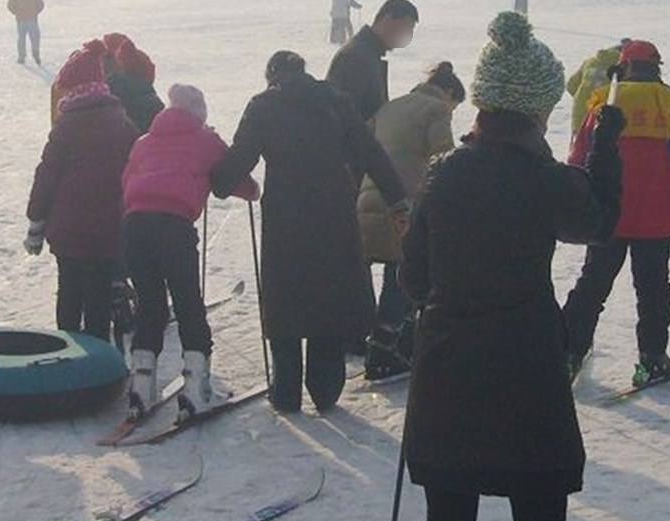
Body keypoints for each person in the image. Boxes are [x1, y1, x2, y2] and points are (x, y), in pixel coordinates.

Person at [397, 10, 623, 521]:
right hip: (525, 371)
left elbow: (413, 277)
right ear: (537, 110)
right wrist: (607, 155)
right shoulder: (546, 179)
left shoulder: (446, 175)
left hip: (449, 370)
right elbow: (599, 223)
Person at [210, 51, 406, 412]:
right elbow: (371, 151)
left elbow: (240, 158)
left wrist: (216, 179)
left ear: (271, 76)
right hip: (334, 212)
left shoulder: (264, 106)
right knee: (328, 295)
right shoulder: (335, 102)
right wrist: (397, 199)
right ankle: (325, 388)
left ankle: (285, 391)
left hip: (285, 217)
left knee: (284, 298)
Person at [561, 39, 670, 384]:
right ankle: (652, 359)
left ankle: (567, 355)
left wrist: (578, 210)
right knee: (653, 289)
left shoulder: (603, 104)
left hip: (606, 215)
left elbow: (578, 158)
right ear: (657, 67)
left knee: (592, 285)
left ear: (624, 66)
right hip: (656, 219)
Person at [122, 84, 258, 420]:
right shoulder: (205, 139)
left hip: (134, 225)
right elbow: (239, 182)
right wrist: (254, 190)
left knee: (149, 303)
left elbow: (126, 182)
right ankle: (196, 387)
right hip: (174, 226)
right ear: (198, 111)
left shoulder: (144, 141)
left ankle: (141, 385)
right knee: (187, 303)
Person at [25, 41, 139, 343]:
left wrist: (36, 222)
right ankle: (98, 361)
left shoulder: (67, 126)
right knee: (98, 297)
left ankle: (69, 355)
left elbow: (46, 175)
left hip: (69, 230)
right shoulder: (124, 123)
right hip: (109, 227)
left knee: (70, 292)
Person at [357, 62, 463, 380]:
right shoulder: (436, 110)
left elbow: (364, 142)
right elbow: (444, 157)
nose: (453, 111)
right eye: (455, 105)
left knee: (379, 269)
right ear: (448, 94)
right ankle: (385, 348)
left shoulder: (390, 107)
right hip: (404, 205)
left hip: (366, 200)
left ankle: (363, 336)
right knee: (402, 274)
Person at [327, 0, 419, 124]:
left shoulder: (369, 55)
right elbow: (345, 114)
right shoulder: (355, 57)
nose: (408, 34)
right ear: (388, 20)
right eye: (407, 27)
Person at [564, 41, 627, 136]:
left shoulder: (590, 62)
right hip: (604, 119)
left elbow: (571, 86)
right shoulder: (623, 68)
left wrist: (584, 97)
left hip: (580, 115)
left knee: (578, 148)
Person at [8, 0, 45, 65]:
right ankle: (22, 57)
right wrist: (16, 12)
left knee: (34, 39)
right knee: (22, 39)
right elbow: (10, 6)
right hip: (22, 21)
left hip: (31, 20)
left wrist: (35, 12)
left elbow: (41, 4)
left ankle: (35, 55)